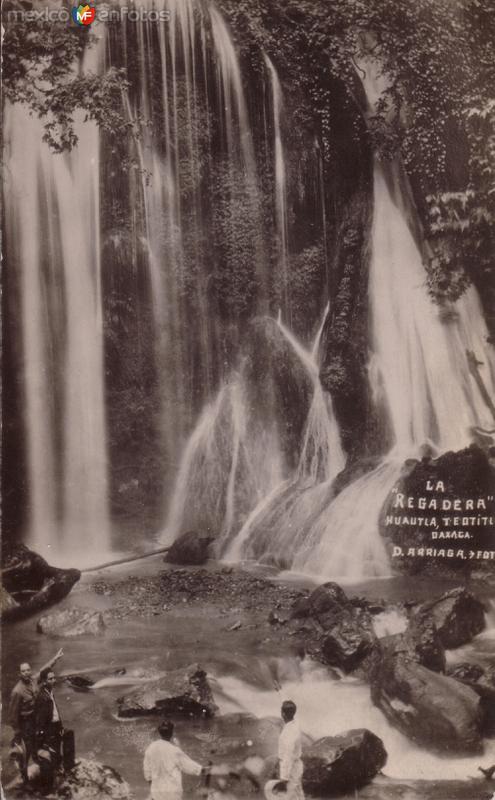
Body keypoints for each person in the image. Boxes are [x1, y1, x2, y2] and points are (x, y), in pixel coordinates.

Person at [8, 649, 64, 782]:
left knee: (39, 746)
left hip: (36, 721)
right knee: (26, 751)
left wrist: (56, 658)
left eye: (28, 670)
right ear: (19, 673)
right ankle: (24, 776)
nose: (27, 672)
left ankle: (46, 772)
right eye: (23, 671)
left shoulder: (33, 680)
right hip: (26, 723)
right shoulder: (17, 691)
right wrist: (17, 732)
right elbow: (12, 715)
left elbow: (45, 670)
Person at [143, 720, 208, 800]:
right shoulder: (174, 750)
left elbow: (147, 772)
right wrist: (202, 770)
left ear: (160, 732)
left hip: (157, 792)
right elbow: (189, 766)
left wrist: (153, 788)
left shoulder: (151, 748)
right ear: (171, 733)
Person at [34, 667, 65, 794]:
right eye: (50, 678)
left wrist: (61, 726)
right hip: (49, 731)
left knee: (56, 754)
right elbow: (41, 721)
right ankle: (47, 790)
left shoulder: (49, 692)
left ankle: (54, 783)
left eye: (54, 677)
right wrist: (43, 740)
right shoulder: (42, 698)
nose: (54, 680)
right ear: (44, 681)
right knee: (48, 758)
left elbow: (55, 712)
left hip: (55, 727)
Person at [272, 700, 304, 799]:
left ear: (283, 714)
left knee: (291, 795)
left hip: (290, 768)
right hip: (296, 765)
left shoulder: (288, 733)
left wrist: (284, 778)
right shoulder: (295, 725)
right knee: (298, 794)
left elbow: (288, 755)